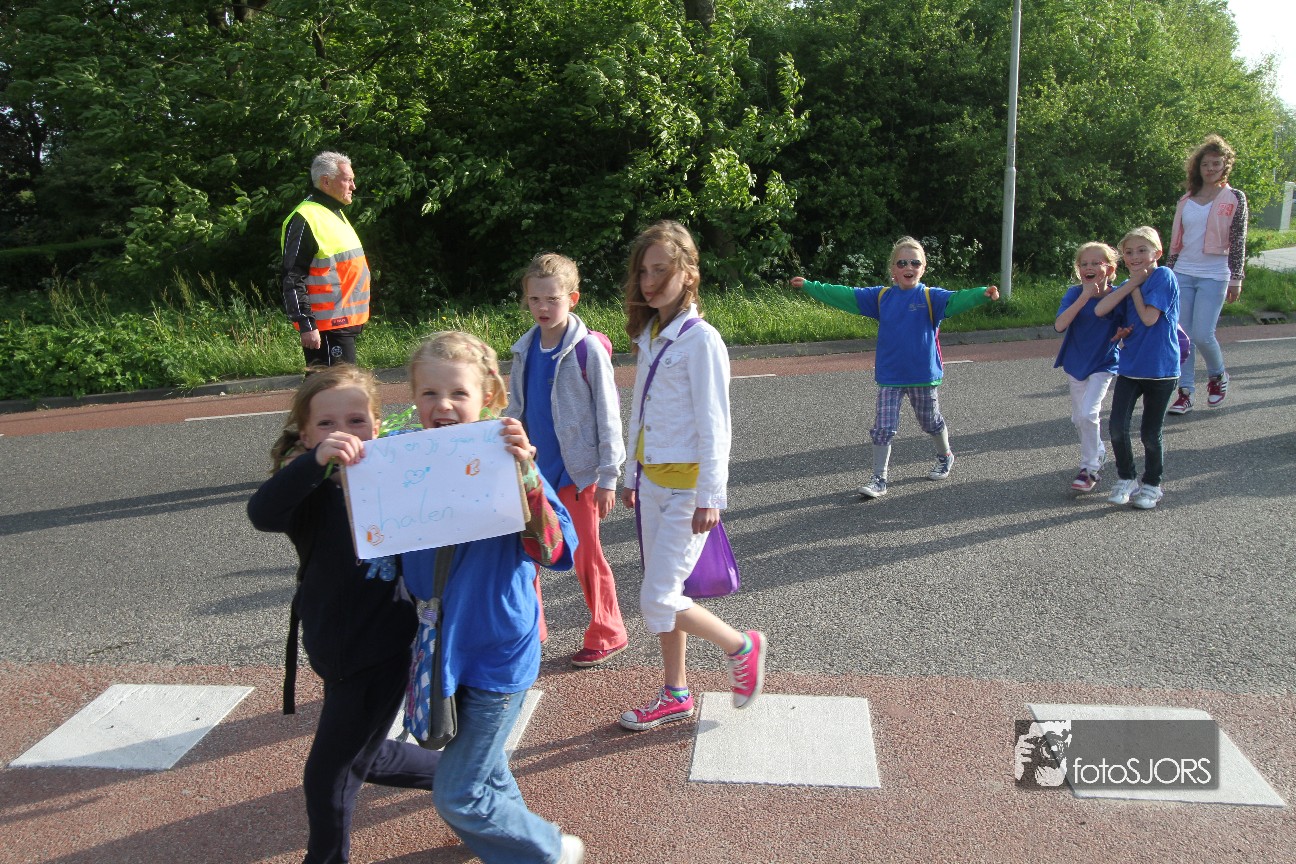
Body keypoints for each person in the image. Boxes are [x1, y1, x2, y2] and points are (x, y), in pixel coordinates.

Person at [401, 332, 586, 864]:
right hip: (443, 651)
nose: (442, 405)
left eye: (458, 393)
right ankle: (520, 843)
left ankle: (548, 850)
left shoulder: (508, 461)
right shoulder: (401, 464)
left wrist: (526, 475)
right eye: (429, 393)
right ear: (414, 398)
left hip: (497, 654)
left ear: (489, 397)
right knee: (487, 768)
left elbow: (556, 551)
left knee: (458, 792)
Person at [247, 365, 440, 864]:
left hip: (381, 650)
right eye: (326, 424)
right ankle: (464, 777)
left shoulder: (399, 480)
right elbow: (262, 514)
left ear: (376, 424)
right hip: (330, 646)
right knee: (368, 755)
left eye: (356, 421)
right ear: (306, 433)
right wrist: (313, 464)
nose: (343, 434)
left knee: (327, 776)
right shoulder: (309, 492)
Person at [618, 220, 767, 732]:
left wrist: (711, 496)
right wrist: (631, 474)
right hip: (652, 484)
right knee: (666, 590)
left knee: (658, 598)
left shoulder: (701, 340)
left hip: (686, 491)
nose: (650, 281)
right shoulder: (651, 335)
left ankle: (741, 645)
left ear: (688, 273)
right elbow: (641, 410)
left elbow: (714, 424)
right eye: (644, 271)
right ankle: (676, 692)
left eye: (662, 270)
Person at [791, 236, 1000, 498]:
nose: (908, 267)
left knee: (931, 422)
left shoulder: (931, 297)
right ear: (893, 269)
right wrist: (810, 286)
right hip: (890, 377)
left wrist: (982, 294)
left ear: (923, 268)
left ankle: (945, 455)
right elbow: (844, 294)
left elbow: (958, 300)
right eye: (902, 263)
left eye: (915, 262)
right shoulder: (881, 297)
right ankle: (879, 479)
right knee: (883, 428)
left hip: (923, 376)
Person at [505, 253, 630, 668]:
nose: (542, 307)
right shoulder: (524, 349)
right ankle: (529, 631)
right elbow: (516, 410)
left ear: (572, 298)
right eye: (534, 299)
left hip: (579, 475)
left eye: (552, 299)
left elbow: (608, 415)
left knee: (585, 556)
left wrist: (609, 476)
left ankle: (608, 631)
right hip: (534, 473)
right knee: (528, 554)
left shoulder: (587, 349)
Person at [1095, 227, 1181, 510]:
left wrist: (1133, 288)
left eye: (1142, 250)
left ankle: (1152, 485)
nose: (1135, 257)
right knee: (1117, 428)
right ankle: (1126, 478)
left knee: (1149, 434)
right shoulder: (1130, 283)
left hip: (1161, 369)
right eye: (1129, 252)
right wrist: (1131, 285)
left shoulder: (1163, 276)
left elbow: (1148, 318)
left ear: (1157, 253)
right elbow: (1101, 310)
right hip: (1131, 368)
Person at [1166, 134, 1248, 414]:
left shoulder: (1234, 198)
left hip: (1215, 273)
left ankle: (1217, 376)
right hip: (1183, 272)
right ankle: (1185, 392)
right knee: (1183, 336)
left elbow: (1238, 240)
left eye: (1216, 163)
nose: (1210, 168)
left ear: (1225, 166)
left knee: (1203, 334)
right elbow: (1176, 240)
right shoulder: (1186, 199)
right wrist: (1168, 273)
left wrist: (1236, 277)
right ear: (1197, 167)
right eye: (1205, 164)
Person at [280, 151, 371, 369]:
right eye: (348, 180)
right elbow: (292, 276)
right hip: (327, 326)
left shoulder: (333, 212)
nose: (353, 186)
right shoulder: (305, 218)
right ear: (326, 182)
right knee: (334, 386)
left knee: (331, 386)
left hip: (342, 322)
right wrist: (306, 323)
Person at [1053, 242, 1125, 493]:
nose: (1089, 267)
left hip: (1103, 363)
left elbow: (1129, 323)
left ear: (1110, 269)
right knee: (1078, 418)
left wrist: (1125, 332)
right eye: (1084, 264)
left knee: (1088, 414)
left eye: (1096, 263)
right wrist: (1084, 296)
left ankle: (1089, 469)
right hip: (1076, 363)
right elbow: (1060, 325)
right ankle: (1098, 451)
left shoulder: (1117, 296)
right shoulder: (1074, 294)